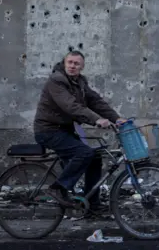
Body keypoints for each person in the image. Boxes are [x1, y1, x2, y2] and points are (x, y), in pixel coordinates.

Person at [33, 50, 126, 215]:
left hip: (64, 130)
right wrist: (96, 120)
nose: (72, 66)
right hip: (48, 130)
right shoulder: (57, 80)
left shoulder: (80, 82)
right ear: (64, 63)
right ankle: (58, 188)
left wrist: (116, 118)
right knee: (84, 153)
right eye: (70, 62)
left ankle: (92, 204)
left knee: (95, 157)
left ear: (82, 67)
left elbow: (96, 102)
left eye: (76, 64)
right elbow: (70, 106)